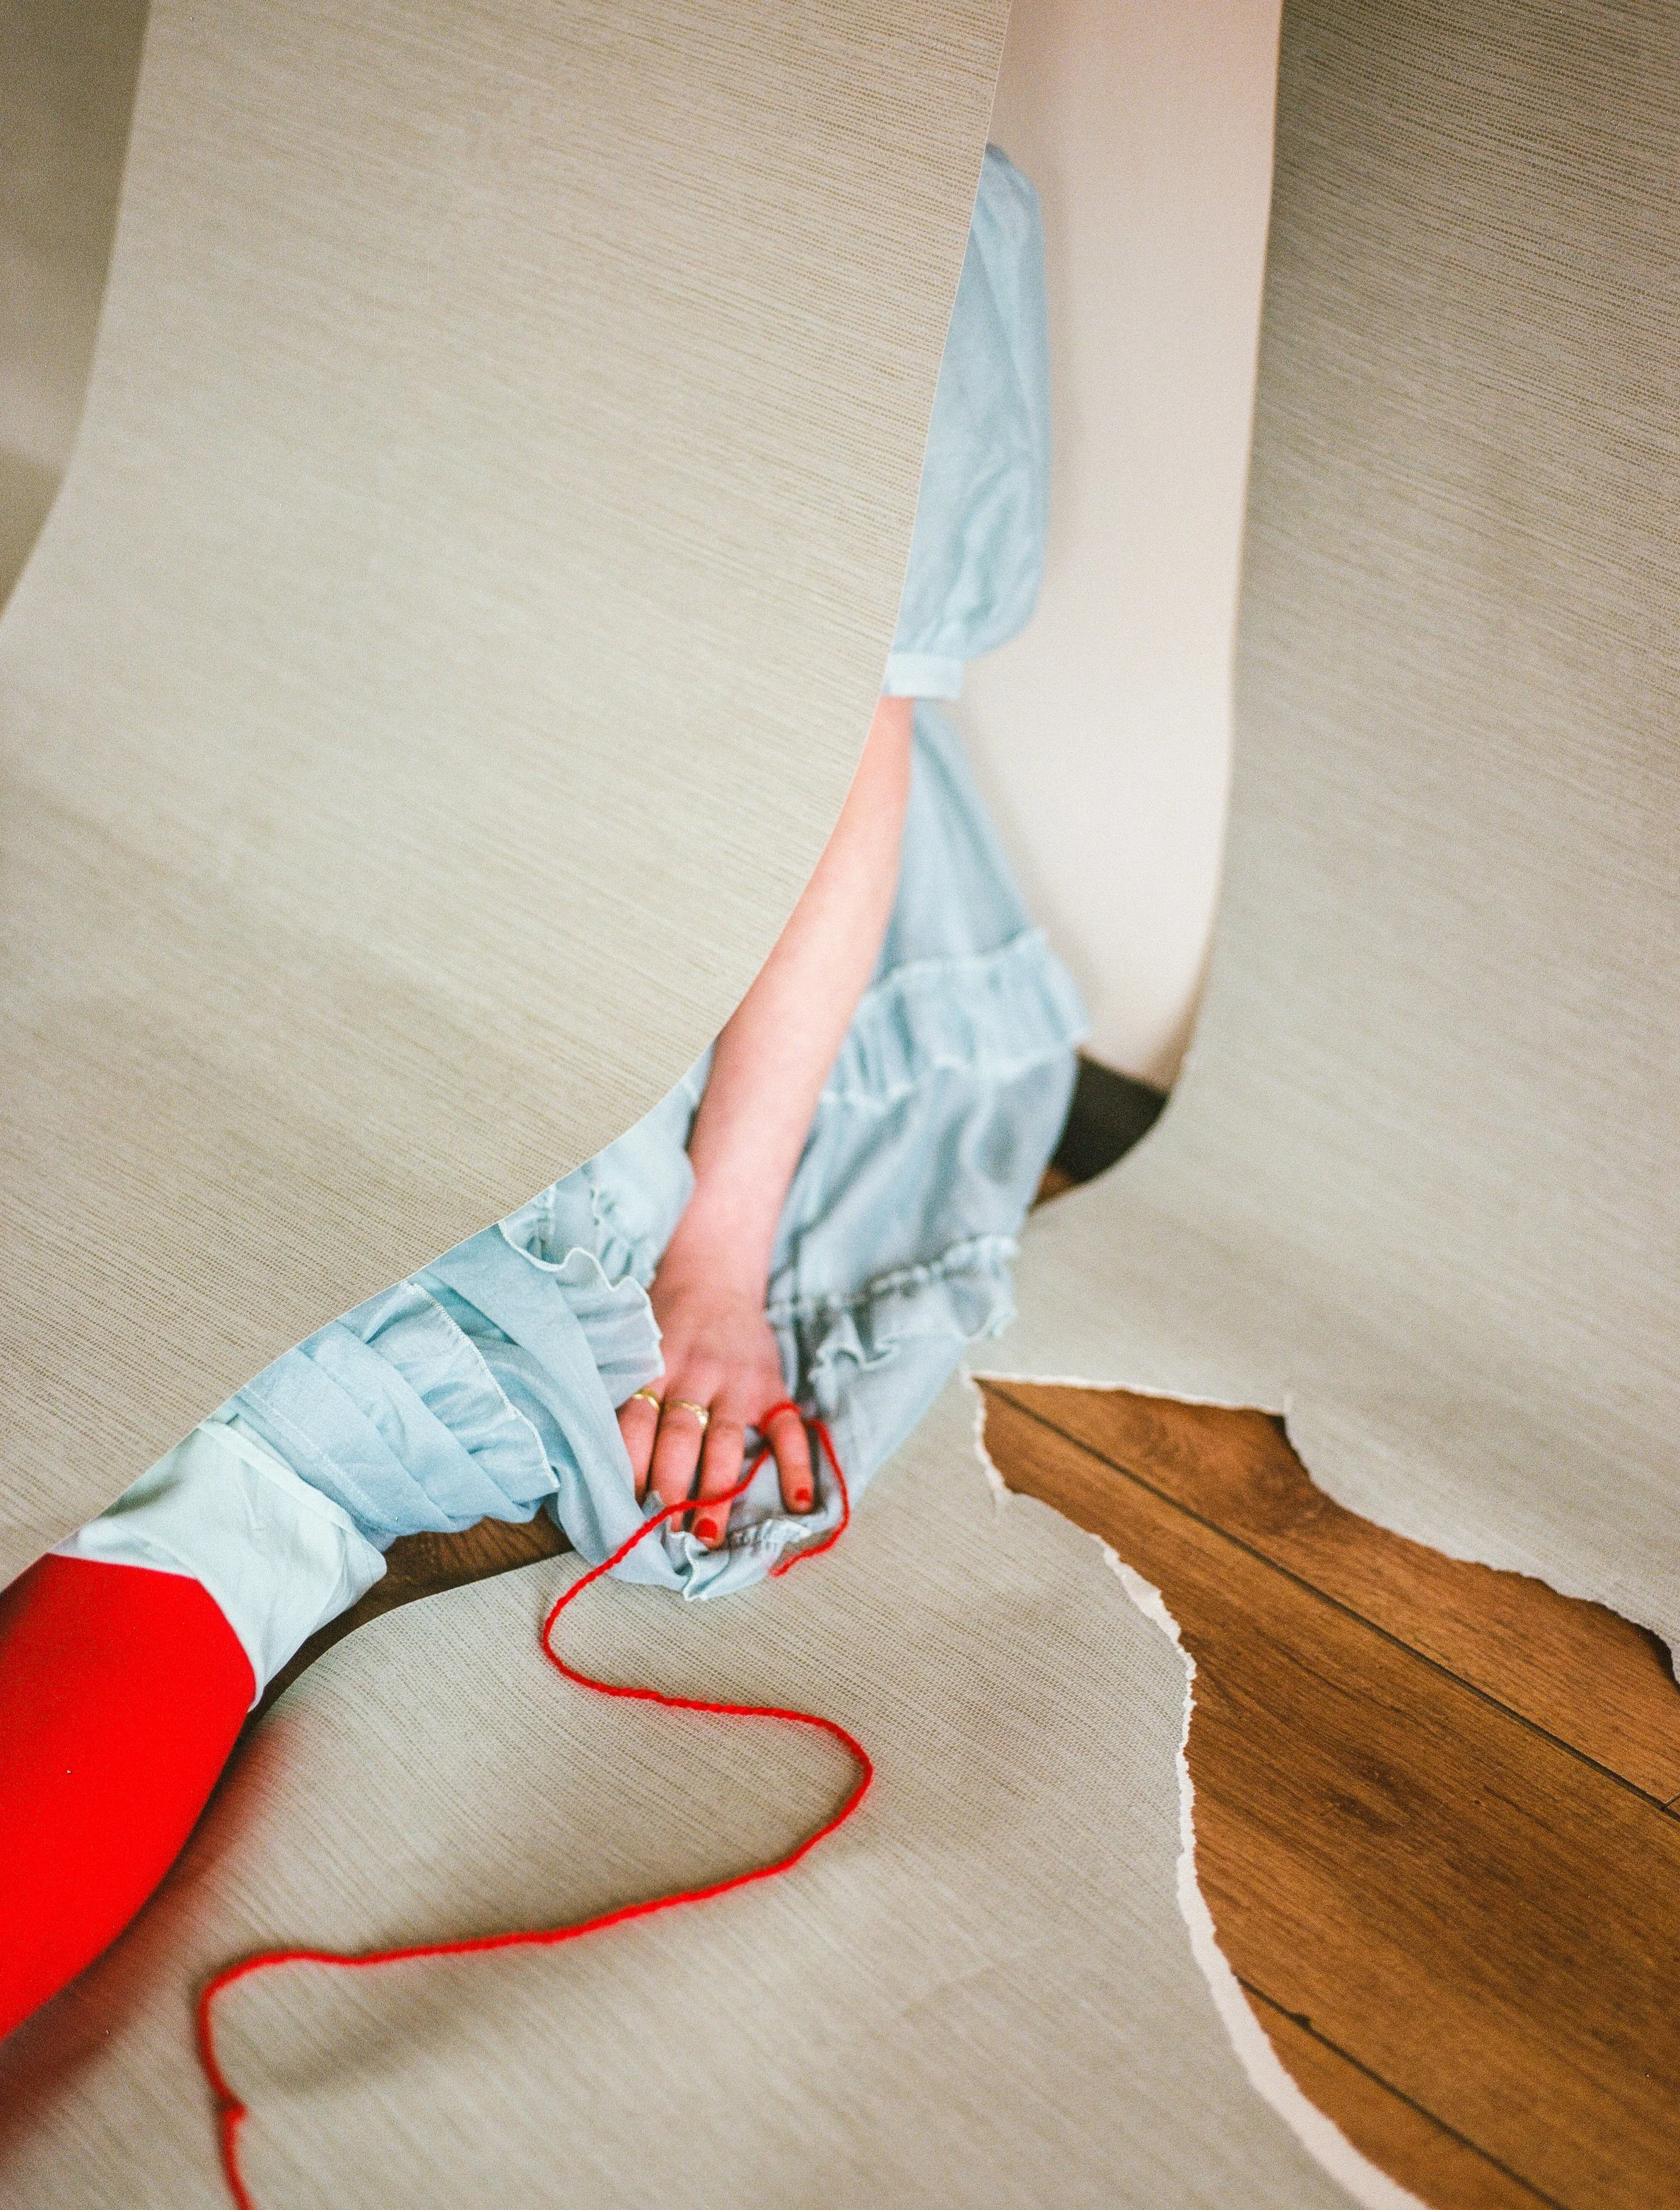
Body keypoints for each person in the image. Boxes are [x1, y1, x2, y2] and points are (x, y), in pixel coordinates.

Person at [0, 146, 1084, 2040]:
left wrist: (719, 1259)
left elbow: (845, 768)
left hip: (570, 891)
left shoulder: (870, 182)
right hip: (221, 747)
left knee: (249, 1447)